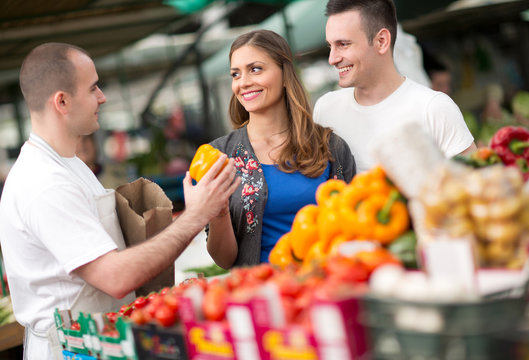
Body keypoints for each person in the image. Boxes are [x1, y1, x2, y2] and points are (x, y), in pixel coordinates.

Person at [0, 43, 240, 360]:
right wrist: (195, 216)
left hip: (97, 338)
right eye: (93, 88)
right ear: (62, 101)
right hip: (71, 349)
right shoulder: (44, 183)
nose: (102, 97)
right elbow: (114, 277)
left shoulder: (67, 163)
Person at [206, 30, 356, 268]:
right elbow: (224, 261)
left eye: (255, 69)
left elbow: (353, 229)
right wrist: (219, 212)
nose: (243, 82)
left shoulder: (330, 146)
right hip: (262, 292)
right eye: (236, 74)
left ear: (285, 74)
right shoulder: (219, 157)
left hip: (328, 282)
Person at [314, 0, 477, 173]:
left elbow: (477, 187)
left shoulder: (435, 108)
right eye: (330, 46)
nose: (332, 59)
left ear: (382, 41)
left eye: (343, 44)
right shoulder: (325, 109)